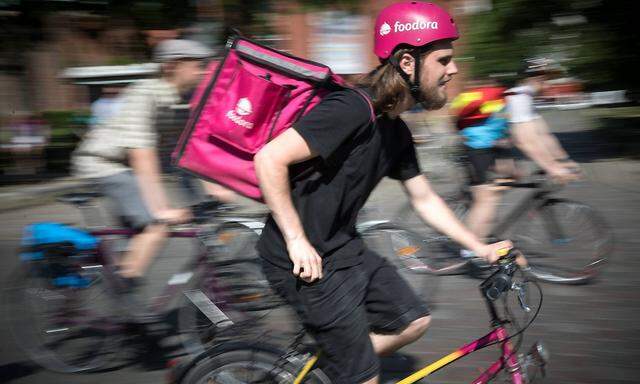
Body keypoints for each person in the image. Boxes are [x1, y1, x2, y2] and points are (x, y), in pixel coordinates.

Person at [254, 2, 512, 383]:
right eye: (443, 60)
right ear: (408, 62)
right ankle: (347, 365)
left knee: (413, 321)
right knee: (364, 375)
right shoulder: (351, 108)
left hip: (343, 249)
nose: (453, 70)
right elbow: (269, 159)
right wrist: (296, 240)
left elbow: (424, 198)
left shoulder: (397, 132)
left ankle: (332, 365)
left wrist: (482, 248)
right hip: (303, 262)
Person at [72, 39, 212, 301]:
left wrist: (216, 191)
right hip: (103, 163)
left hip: (124, 168)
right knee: (156, 226)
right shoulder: (145, 93)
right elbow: (142, 156)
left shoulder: (176, 100)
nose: (202, 71)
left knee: (144, 239)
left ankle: (126, 301)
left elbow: (188, 151)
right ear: (172, 66)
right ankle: (128, 309)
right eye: (196, 65)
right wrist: (160, 210)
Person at [457, 58, 580, 244]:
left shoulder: (527, 98)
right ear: (535, 78)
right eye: (545, 78)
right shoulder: (519, 98)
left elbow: (543, 135)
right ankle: (470, 249)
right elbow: (525, 141)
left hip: (495, 145)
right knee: (487, 199)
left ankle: (479, 215)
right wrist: (552, 167)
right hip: (478, 145)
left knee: (512, 177)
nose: (547, 83)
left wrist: (563, 160)